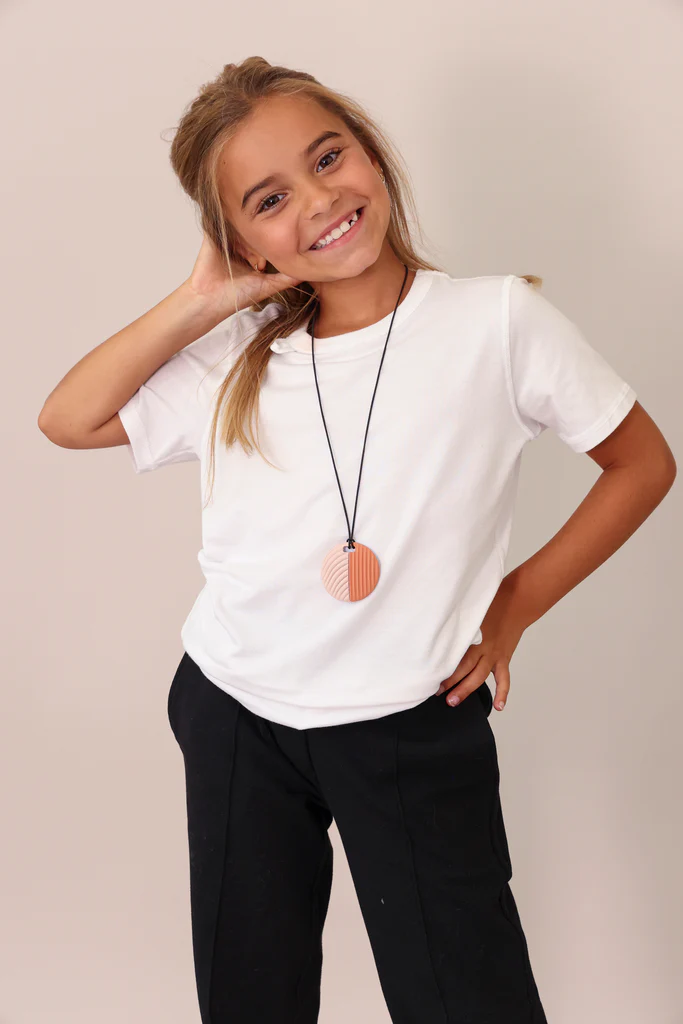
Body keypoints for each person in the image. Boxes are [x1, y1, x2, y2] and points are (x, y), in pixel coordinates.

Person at [38, 57, 676, 1024]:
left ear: (370, 153)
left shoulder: (496, 322)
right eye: (269, 200)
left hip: (409, 719)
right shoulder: (238, 354)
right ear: (240, 242)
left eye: (328, 157)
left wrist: (513, 604)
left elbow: (641, 464)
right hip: (235, 710)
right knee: (251, 997)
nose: (319, 200)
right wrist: (204, 300)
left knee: (467, 998)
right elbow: (67, 419)